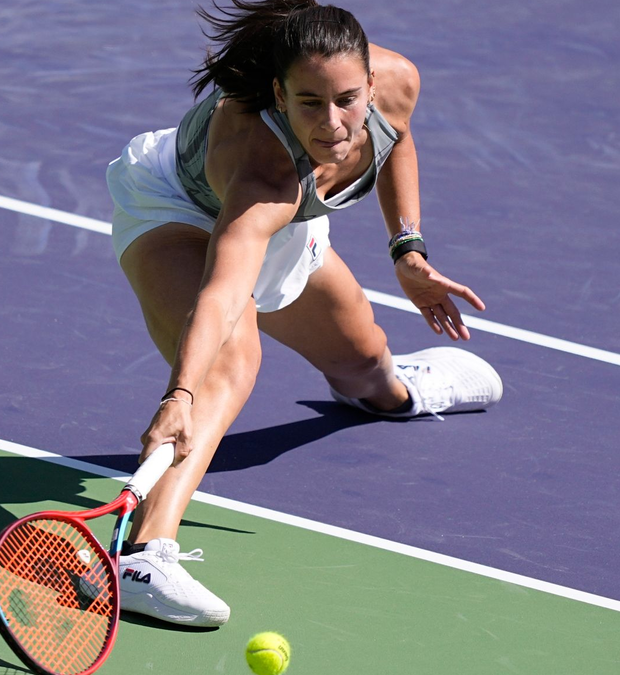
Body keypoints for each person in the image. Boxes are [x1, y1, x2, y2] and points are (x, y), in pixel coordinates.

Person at [105, 0, 502, 627]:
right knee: (231, 363)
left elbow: (394, 136)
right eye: (309, 103)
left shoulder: (395, 82)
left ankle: (397, 390)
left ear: (371, 83)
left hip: (294, 226)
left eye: (347, 99)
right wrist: (180, 394)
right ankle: (144, 556)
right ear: (278, 95)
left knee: (370, 370)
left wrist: (407, 247)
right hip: (181, 214)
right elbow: (222, 293)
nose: (334, 122)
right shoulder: (262, 166)